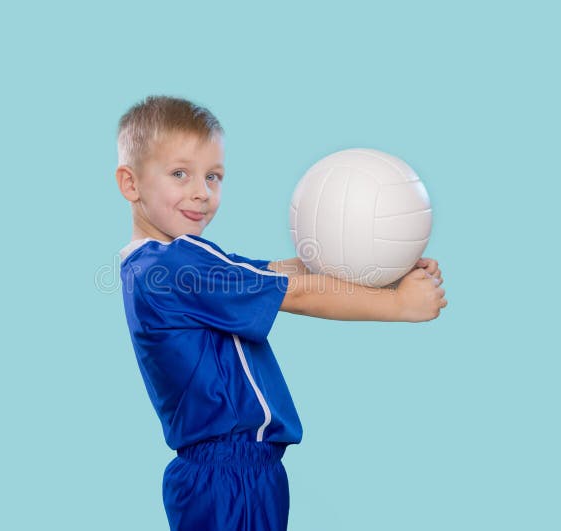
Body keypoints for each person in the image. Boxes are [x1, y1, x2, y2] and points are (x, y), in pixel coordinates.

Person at [115, 95, 447, 531]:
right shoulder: (174, 263)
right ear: (131, 183)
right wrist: (399, 304)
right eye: (180, 174)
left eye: (213, 177)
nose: (202, 191)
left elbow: (271, 270)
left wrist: (385, 273)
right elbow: (294, 293)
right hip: (227, 475)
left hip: (241, 470)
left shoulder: (169, 263)